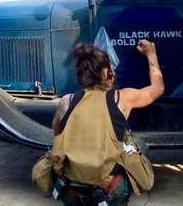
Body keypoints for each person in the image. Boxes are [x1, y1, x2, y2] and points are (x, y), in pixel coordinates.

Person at [51, 39, 164, 206]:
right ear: (106, 74)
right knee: (138, 144)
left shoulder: (66, 101)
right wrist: (151, 54)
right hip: (107, 193)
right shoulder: (122, 98)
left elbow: (58, 136)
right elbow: (157, 88)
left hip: (70, 192)